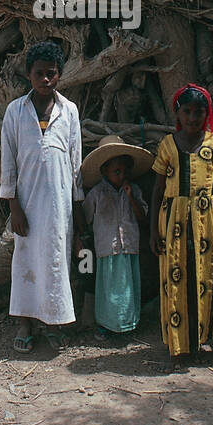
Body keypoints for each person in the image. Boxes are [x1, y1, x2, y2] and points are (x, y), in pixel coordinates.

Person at [0, 40, 83, 354]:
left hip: (61, 204)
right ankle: (24, 321)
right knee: (26, 260)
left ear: (59, 75)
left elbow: (75, 161)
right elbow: (8, 160)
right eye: (39, 74)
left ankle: (54, 321)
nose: (46, 79)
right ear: (28, 76)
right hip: (28, 203)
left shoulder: (69, 111)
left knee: (56, 261)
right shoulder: (15, 111)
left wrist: (77, 204)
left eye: (52, 73)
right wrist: (14, 206)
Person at [150, 84, 213, 371]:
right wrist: (152, 232)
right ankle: (176, 346)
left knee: (202, 277)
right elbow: (157, 191)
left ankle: (198, 341)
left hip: (205, 221)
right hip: (172, 221)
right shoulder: (168, 145)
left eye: (199, 112)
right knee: (174, 279)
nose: (193, 118)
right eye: (187, 112)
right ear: (178, 113)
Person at [80, 135, 152, 339]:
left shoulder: (134, 190)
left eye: (124, 171)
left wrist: (130, 196)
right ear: (104, 171)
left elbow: (142, 217)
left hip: (128, 247)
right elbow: (85, 217)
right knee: (108, 289)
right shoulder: (97, 193)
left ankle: (128, 322)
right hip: (107, 249)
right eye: (116, 172)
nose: (121, 175)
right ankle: (106, 324)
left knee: (128, 287)